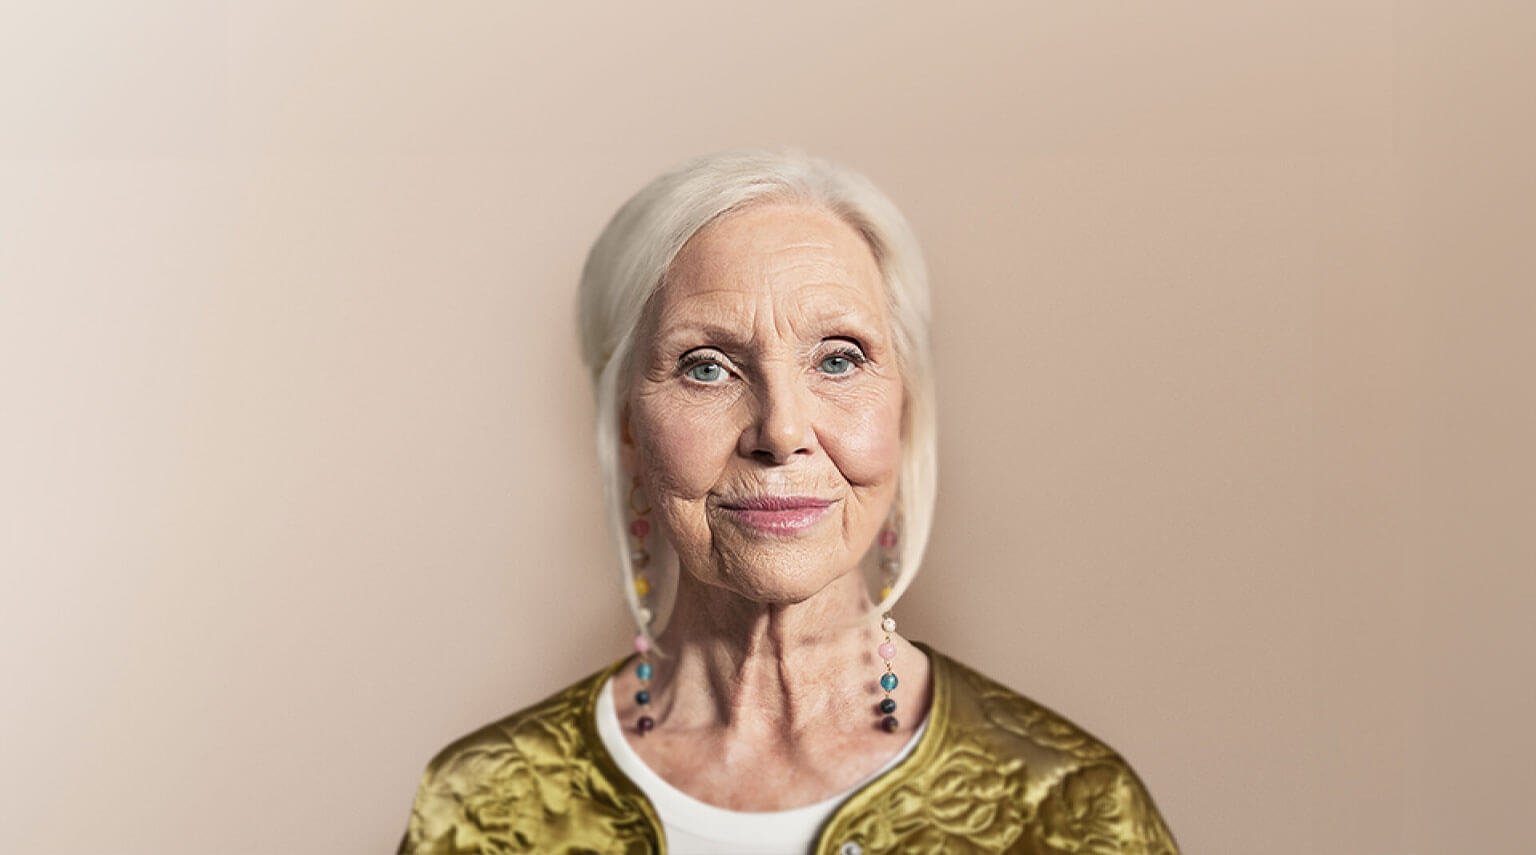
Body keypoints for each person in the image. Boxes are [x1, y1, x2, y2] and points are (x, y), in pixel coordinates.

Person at [396, 150, 1180, 854]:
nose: (781, 430)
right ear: (627, 428)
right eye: (707, 368)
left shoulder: (1067, 808)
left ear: (903, 414)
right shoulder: (486, 807)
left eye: (839, 360)